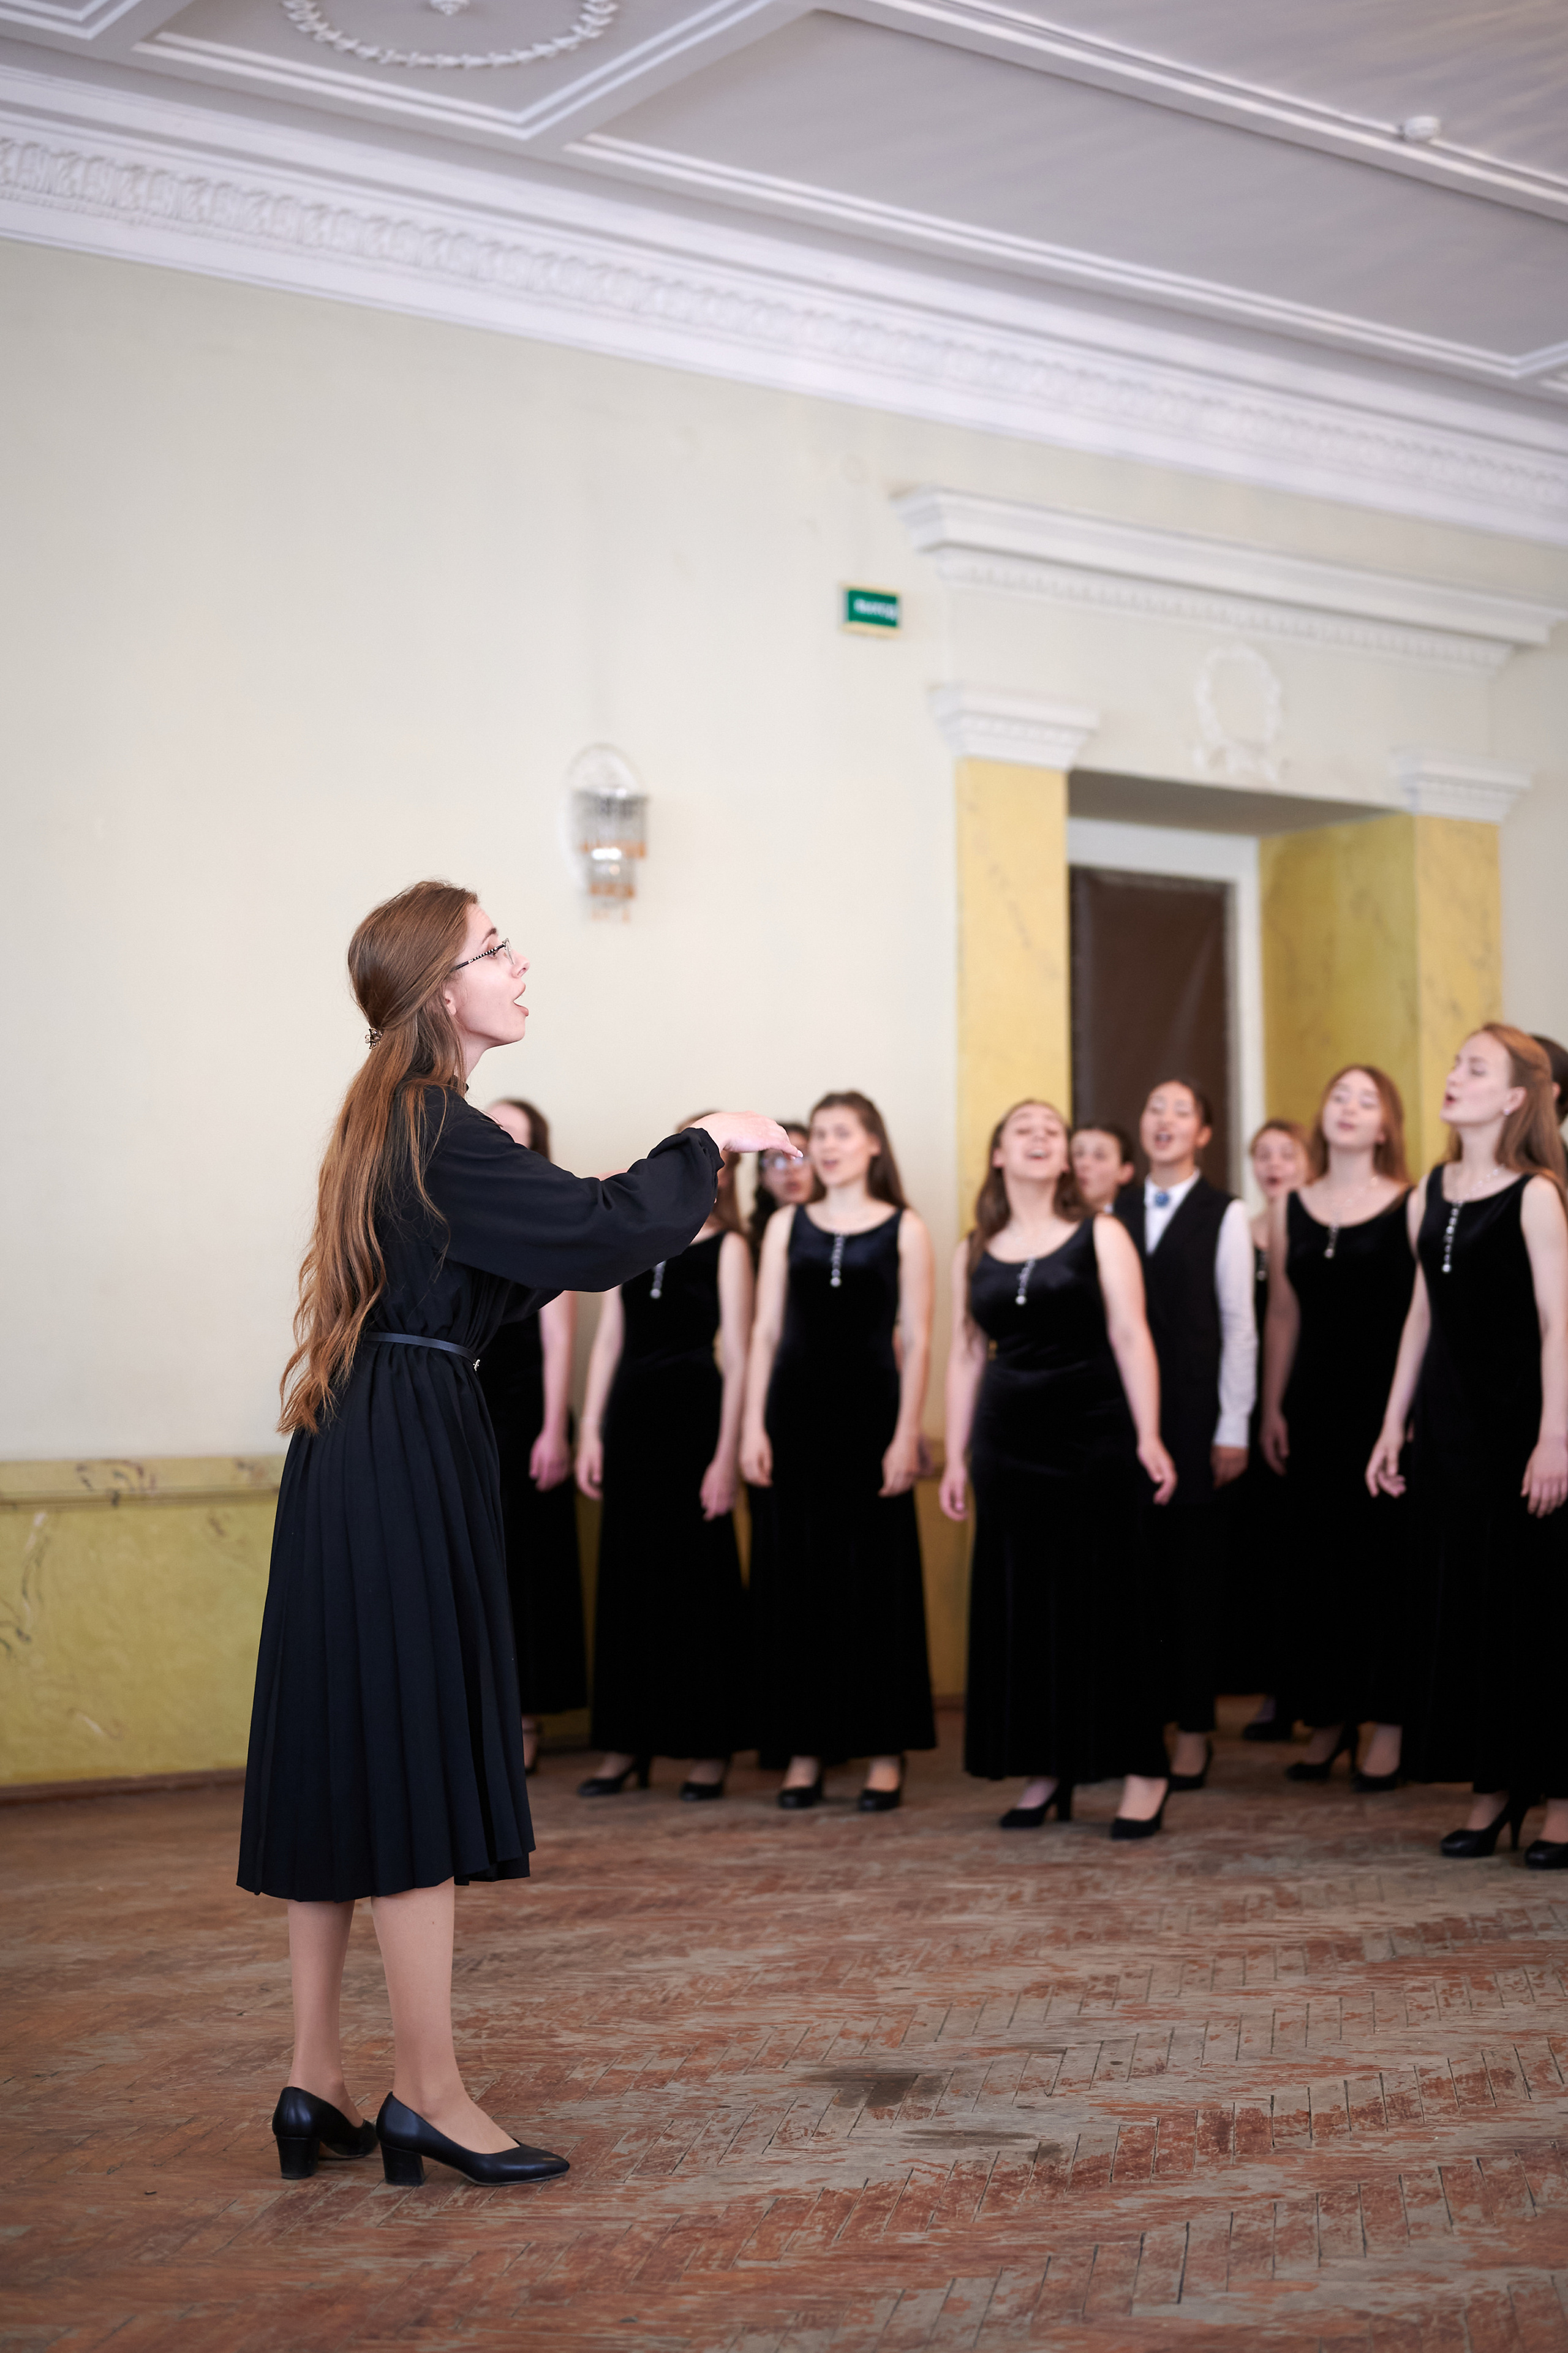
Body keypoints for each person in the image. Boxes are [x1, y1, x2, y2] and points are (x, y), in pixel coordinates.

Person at [238, 877, 794, 2188]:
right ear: (443, 990)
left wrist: (654, 1184)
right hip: (404, 1444)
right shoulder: (438, 1121)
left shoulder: (400, 1124)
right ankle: (426, 2090)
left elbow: (548, 1250)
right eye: (496, 947)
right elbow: (599, 1231)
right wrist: (701, 1136)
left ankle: (313, 2073)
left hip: (352, 1442)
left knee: (339, 1750)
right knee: (414, 1754)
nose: (519, 961)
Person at [941, 1101, 1177, 1837]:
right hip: (1007, 1442)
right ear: (999, 1155)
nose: (1042, 1137)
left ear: (1067, 1159)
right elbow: (966, 1353)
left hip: (1093, 1434)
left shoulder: (1101, 1233)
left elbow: (1131, 1336)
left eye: (1054, 1130)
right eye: (1025, 1129)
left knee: (1107, 1601)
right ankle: (1047, 1764)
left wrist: (1150, 1435)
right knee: (1024, 1605)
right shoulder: (972, 1247)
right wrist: (953, 1452)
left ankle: (1144, 1768)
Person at [1368, 1025, 1568, 1869]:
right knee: (1472, 1611)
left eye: (1474, 1067)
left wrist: (1557, 1433)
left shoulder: (1536, 1194)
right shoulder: (1429, 1191)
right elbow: (1421, 1315)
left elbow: (1562, 1323)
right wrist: (1392, 1422)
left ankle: (1559, 1796)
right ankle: (1493, 1788)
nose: (1454, 1076)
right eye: (1454, 1063)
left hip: (1522, 1428)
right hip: (1449, 1431)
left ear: (1517, 1096)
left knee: (1537, 1614)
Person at [741, 1091, 937, 1812]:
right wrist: (754, 1427)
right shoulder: (786, 1225)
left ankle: (884, 1751)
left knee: (874, 1582)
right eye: (817, 1134)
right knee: (800, 1581)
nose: (825, 1145)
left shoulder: (905, 1227)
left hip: (871, 1420)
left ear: (873, 1144)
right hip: (793, 1418)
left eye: (840, 1133)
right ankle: (805, 1747)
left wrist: (905, 1434)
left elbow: (916, 1339)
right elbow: (763, 1333)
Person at [574, 1117, 753, 1798]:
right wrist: (590, 1429)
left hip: (695, 1418)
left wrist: (725, 1455)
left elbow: (735, 1354)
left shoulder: (729, 1246)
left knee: (697, 1583)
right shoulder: (636, 1236)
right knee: (628, 1580)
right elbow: (611, 1339)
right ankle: (626, 1744)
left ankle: (707, 1748)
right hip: (632, 1419)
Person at [1261, 1071, 1413, 1788]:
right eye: (1337, 1096)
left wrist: (1406, 1413)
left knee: (1381, 1563)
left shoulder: (1412, 1203)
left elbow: (1425, 1316)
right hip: (1312, 1405)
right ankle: (1327, 1718)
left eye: (1365, 1099)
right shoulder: (1289, 1203)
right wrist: (1271, 1405)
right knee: (1313, 1563)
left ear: (1386, 1126)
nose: (1347, 1107)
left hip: (1384, 1408)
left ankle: (1387, 1723)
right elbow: (1282, 1313)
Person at [1114, 1079, 1257, 1790]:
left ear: (1203, 1132)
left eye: (1180, 1111)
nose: (1163, 1120)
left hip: (1198, 1417)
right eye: (1153, 1107)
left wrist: (1234, 1423)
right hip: (1125, 1420)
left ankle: (1195, 1727)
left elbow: (1240, 1324)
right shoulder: (1113, 1207)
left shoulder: (1224, 1213)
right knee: (1134, 1576)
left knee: (1194, 1579)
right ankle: (1143, 1721)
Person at [477, 1099, 585, 1774]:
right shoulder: (458, 1206)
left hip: (529, 1415)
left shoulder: (545, 1219)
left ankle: (525, 1716)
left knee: (527, 1567)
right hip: (470, 1408)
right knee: (475, 1565)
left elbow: (559, 1335)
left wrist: (553, 1429)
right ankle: (478, 1717)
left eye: (510, 1132)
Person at [1233, 1120, 1311, 1739]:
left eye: (1287, 1152)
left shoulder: (1311, 1227)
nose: (1273, 1162)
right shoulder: (1242, 1229)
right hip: (1250, 1400)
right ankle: (1271, 1688)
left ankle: (1303, 1690)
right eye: (1262, 1154)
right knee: (1258, 1551)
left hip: (1304, 1394)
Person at [748, 1123, 812, 1260]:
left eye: (800, 1156)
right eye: (777, 1161)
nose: (790, 1169)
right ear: (762, 1177)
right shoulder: (747, 1244)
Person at [1071, 1122, 1136, 1214]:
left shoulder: (1135, 1223)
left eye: (1099, 1156)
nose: (1084, 1164)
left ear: (1125, 1172)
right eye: (1078, 1153)